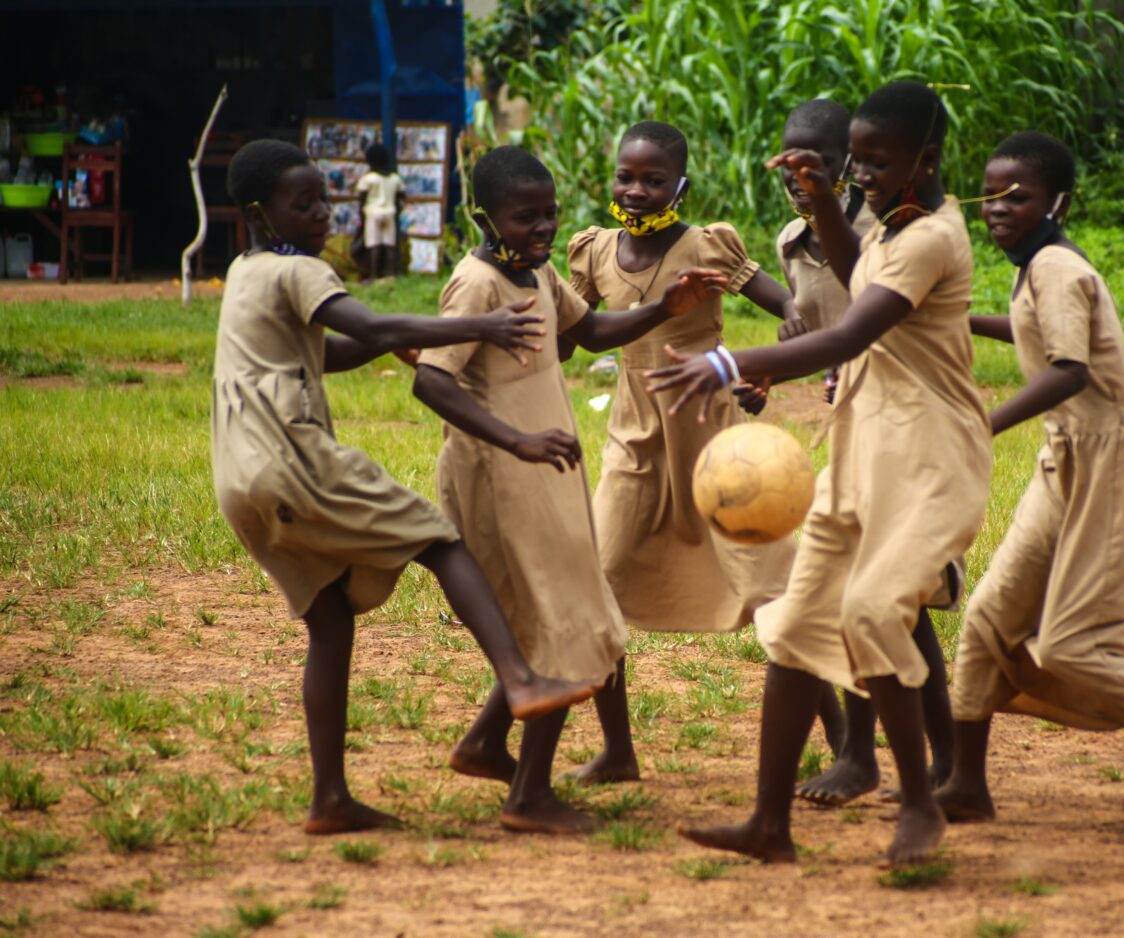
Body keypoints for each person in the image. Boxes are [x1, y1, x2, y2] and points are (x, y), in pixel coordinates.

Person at [212, 140, 599, 836]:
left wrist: (391, 343)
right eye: (304, 205)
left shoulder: (245, 273)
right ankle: (520, 679)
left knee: (330, 624)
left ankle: (328, 799)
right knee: (441, 539)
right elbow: (370, 321)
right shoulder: (297, 272)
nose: (323, 214)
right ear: (256, 214)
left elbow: (328, 351)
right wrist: (476, 325)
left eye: (325, 199)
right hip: (292, 459)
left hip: (237, 478)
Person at [650, 81, 991, 866]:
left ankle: (919, 805)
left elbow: (848, 336)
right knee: (799, 622)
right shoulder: (890, 227)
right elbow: (856, 274)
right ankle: (769, 824)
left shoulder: (931, 237)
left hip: (928, 458)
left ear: (926, 161)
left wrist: (729, 359)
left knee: (874, 611)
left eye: (875, 162)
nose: (860, 174)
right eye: (855, 162)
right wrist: (825, 207)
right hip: (863, 445)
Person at [933, 131, 1124, 834]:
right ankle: (965, 785)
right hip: (1066, 459)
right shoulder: (1032, 269)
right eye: (993, 194)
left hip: (1116, 462)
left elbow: (1068, 368)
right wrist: (945, 316)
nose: (1000, 207)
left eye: (1021, 196)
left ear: (1059, 202)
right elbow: (1027, 329)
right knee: (986, 621)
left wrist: (982, 424)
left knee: (1075, 644)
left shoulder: (1054, 266)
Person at [410, 145, 728, 833]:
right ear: (485, 218)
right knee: (568, 625)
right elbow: (431, 379)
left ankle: (487, 745)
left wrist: (665, 307)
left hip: (543, 472)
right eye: (526, 217)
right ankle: (528, 797)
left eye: (550, 213)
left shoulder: (539, 272)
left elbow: (589, 332)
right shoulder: (476, 283)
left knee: (562, 619)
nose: (544, 228)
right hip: (500, 477)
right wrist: (516, 440)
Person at [564, 121, 801, 784]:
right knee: (599, 585)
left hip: (716, 440)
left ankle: (844, 741)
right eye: (626, 177)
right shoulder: (593, 252)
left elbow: (792, 310)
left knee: (771, 591)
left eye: (654, 179)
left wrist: (758, 369)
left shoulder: (707, 246)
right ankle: (617, 752)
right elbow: (580, 337)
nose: (636, 191)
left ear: (681, 184)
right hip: (635, 442)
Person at [774, 98, 956, 804]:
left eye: (814, 159)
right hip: (855, 430)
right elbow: (825, 333)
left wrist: (735, 363)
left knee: (897, 606)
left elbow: (859, 324)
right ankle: (885, 760)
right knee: (871, 605)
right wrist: (779, 361)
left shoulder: (894, 231)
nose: (798, 172)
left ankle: (921, 763)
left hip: (911, 434)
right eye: (788, 158)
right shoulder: (795, 240)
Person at [356, 142, 403, 283]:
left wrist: (361, 216)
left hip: (372, 213)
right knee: (390, 245)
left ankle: (373, 276)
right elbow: (400, 196)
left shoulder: (368, 178)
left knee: (374, 245)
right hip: (389, 212)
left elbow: (362, 198)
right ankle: (391, 275)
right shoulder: (395, 178)